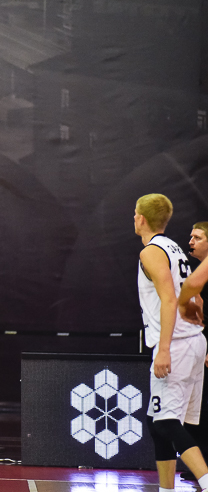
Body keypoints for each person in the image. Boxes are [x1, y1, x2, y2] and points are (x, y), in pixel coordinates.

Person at [133, 194, 208, 492]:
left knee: (165, 422)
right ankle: (166, 489)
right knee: (157, 423)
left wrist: (163, 349)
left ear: (141, 218)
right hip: (193, 340)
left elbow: (168, 299)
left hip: (175, 343)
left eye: (135, 214)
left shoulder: (151, 252)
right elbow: (194, 294)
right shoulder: (174, 247)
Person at [179, 221, 208, 483]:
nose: (191, 242)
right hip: (199, 349)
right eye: (191, 237)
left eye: (197, 237)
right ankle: (201, 465)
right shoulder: (196, 270)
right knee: (198, 410)